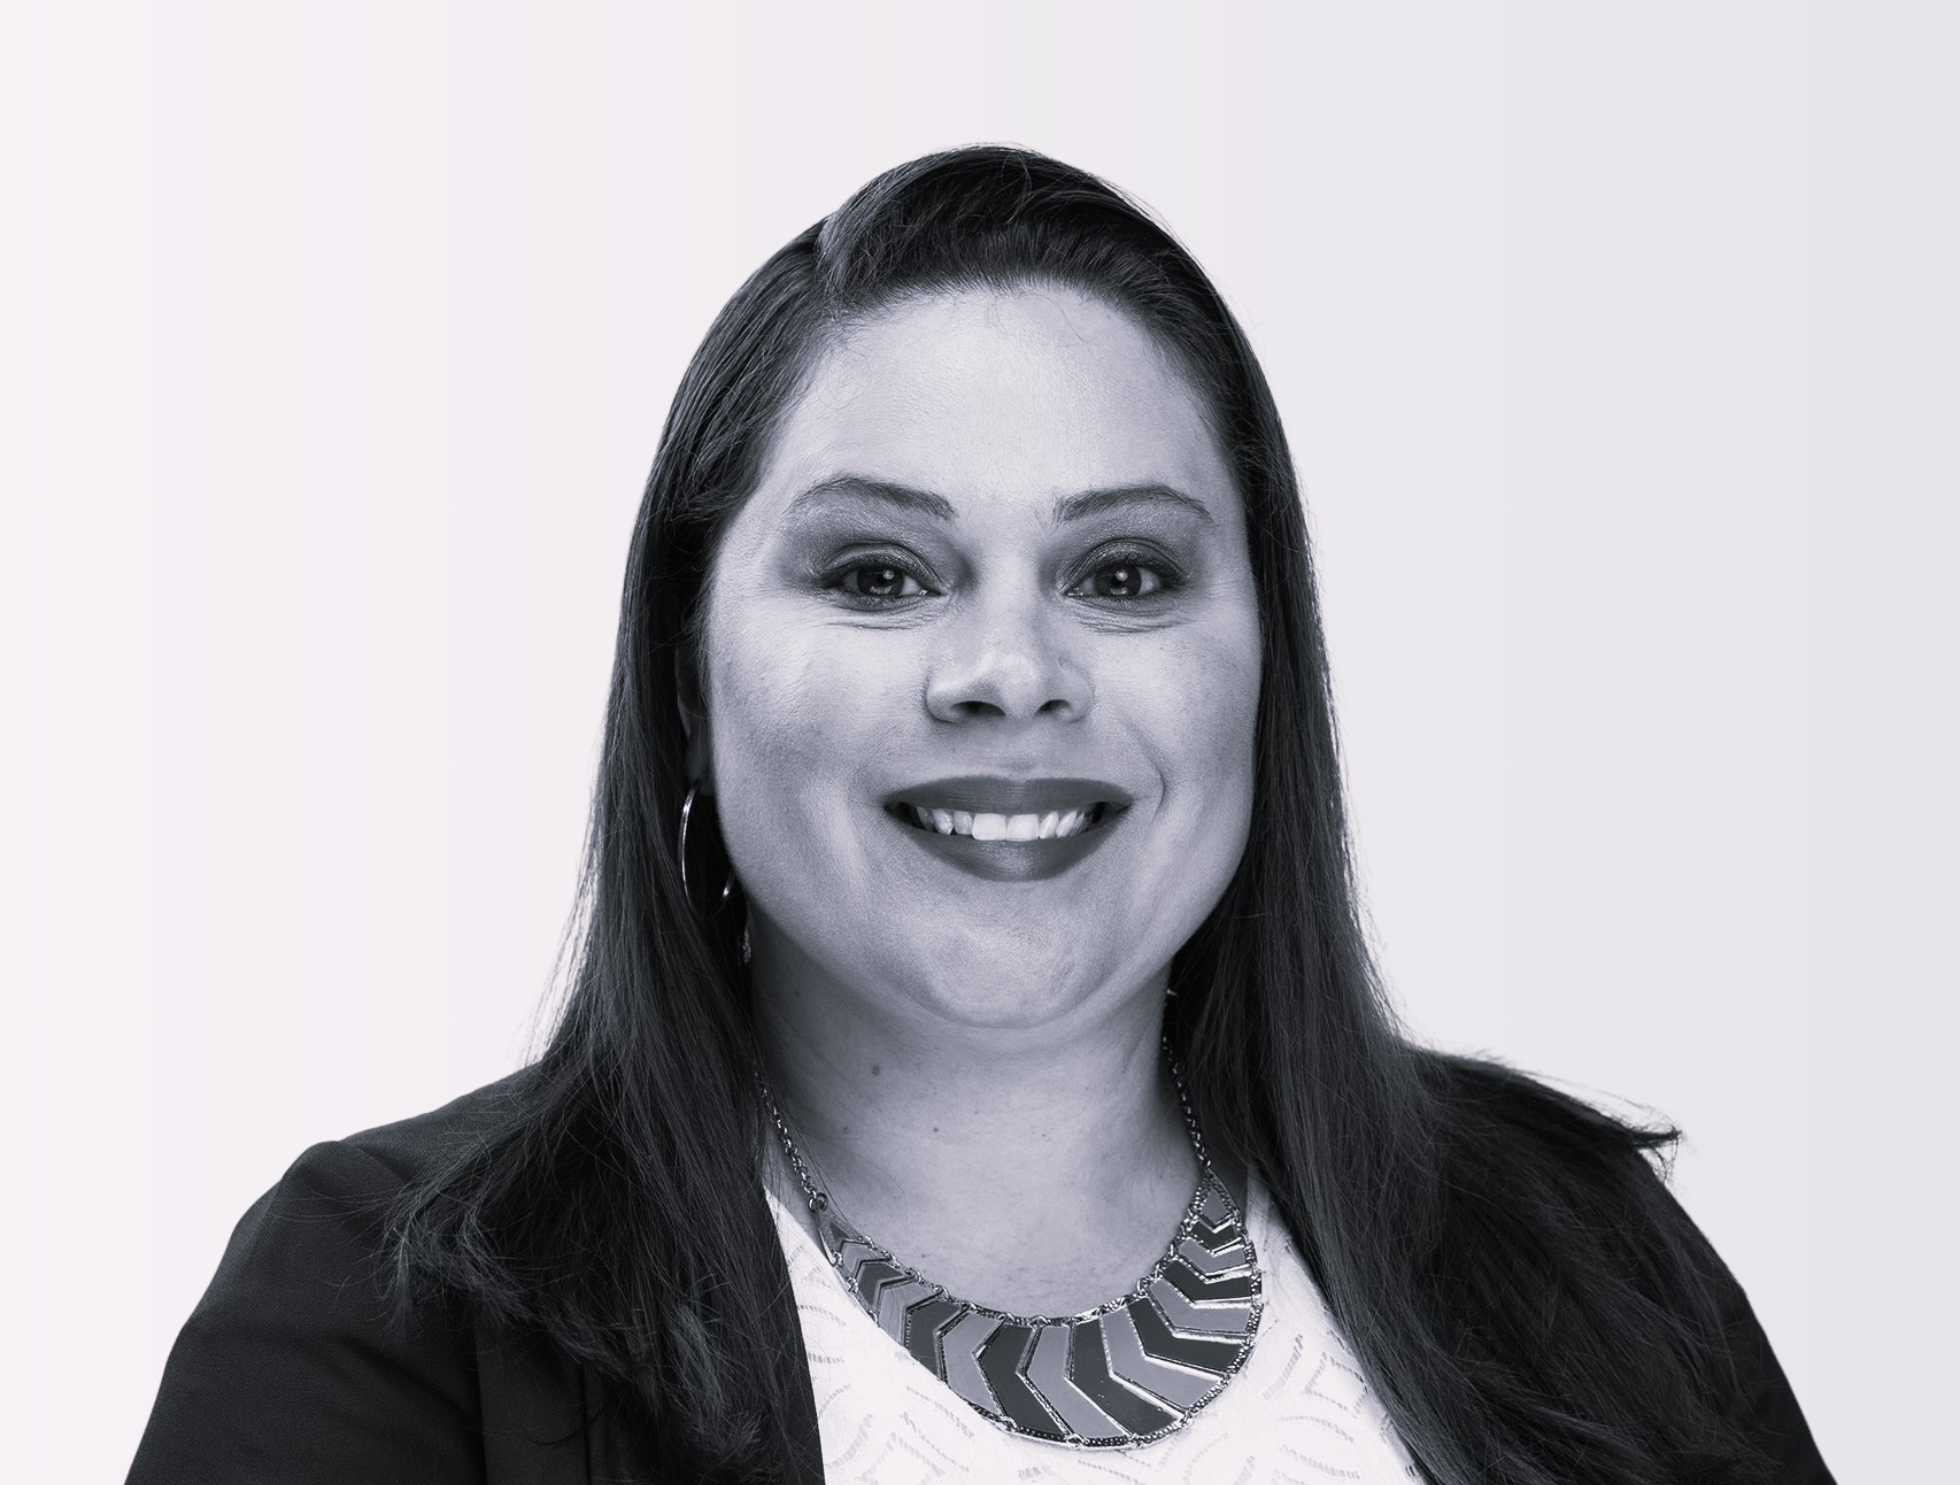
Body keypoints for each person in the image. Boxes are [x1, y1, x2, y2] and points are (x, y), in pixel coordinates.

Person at [127, 147, 1833, 1485]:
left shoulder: (1574, 1250)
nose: (1011, 673)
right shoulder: (392, 1310)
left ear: (1265, 677)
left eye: (1124, 573)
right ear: (682, 684)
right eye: (879, 571)